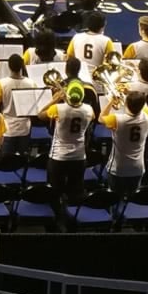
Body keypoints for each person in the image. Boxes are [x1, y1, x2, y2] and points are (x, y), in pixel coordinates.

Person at [47, 83, 94, 214]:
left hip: (59, 156)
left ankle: (57, 215)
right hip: (78, 156)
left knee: (55, 189)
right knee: (75, 190)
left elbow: (40, 114)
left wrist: (56, 99)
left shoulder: (57, 108)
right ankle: (73, 217)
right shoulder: (89, 109)